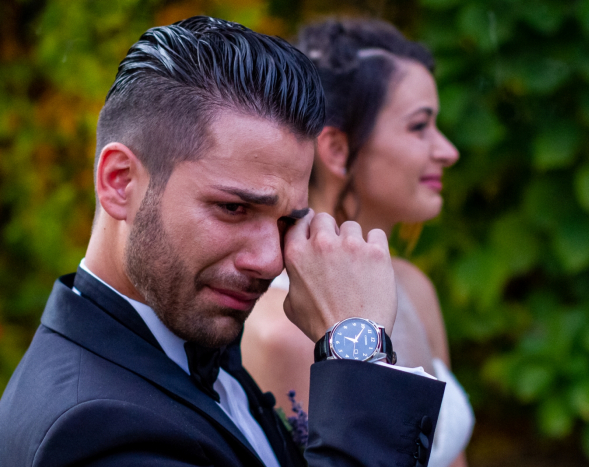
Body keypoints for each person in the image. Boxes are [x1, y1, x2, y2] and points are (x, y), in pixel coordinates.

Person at [0, 16, 446, 467]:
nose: (271, 261)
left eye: (287, 220)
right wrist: (359, 354)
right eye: (234, 209)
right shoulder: (91, 433)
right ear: (119, 183)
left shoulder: (194, 343)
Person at [241, 19, 474, 467]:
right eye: (419, 126)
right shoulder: (280, 329)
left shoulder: (414, 287)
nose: (447, 150)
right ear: (336, 149)